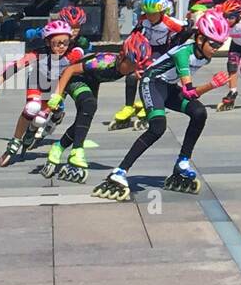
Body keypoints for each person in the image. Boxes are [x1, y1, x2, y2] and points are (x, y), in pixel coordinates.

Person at [93, 11, 232, 201]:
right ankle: (119, 171)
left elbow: (185, 94)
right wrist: (212, 85)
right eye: (214, 43)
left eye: (220, 44)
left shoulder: (204, 56)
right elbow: (190, 92)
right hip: (152, 83)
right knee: (158, 128)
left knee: (199, 112)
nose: (217, 48)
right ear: (200, 39)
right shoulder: (184, 53)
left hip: (168, 86)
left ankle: (182, 162)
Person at [44, 32, 153, 183]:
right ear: (122, 56)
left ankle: (58, 147)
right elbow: (70, 70)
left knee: (84, 118)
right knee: (89, 104)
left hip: (92, 81)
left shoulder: (131, 66)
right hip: (74, 78)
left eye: (138, 65)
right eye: (132, 63)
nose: (134, 68)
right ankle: (77, 151)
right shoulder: (103, 62)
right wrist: (57, 95)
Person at [0, 19, 84, 167]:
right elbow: (14, 67)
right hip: (37, 82)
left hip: (54, 89)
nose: (62, 46)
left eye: (65, 42)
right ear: (48, 43)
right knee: (32, 108)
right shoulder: (38, 54)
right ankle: (15, 140)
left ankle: (34, 129)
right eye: (57, 43)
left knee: (40, 121)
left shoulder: (74, 54)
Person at [109, 0, 186, 130]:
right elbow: (134, 33)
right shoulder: (143, 19)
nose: (150, 17)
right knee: (132, 76)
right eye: (148, 13)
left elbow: (188, 29)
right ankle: (128, 106)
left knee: (148, 75)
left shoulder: (171, 23)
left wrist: (176, 44)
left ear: (162, 11)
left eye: (153, 13)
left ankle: (149, 103)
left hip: (164, 52)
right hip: (148, 50)